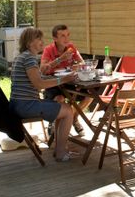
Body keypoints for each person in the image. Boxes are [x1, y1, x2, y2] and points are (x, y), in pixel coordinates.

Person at [9, 27, 79, 162]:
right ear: (30, 43)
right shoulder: (28, 58)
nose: (42, 42)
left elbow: (40, 78)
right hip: (26, 106)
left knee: (61, 105)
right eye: (39, 39)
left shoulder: (23, 56)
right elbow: (39, 84)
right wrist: (63, 79)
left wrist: (60, 77)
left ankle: (60, 149)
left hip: (17, 104)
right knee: (68, 111)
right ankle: (60, 152)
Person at [40, 24, 93, 137]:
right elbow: (43, 70)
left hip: (69, 83)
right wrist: (60, 59)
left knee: (89, 97)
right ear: (55, 39)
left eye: (68, 35)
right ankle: (53, 122)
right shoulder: (48, 50)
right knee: (60, 98)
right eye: (62, 36)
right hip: (54, 84)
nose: (66, 38)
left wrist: (77, 66)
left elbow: (82, 63)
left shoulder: (71, 47)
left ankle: (74, 117)